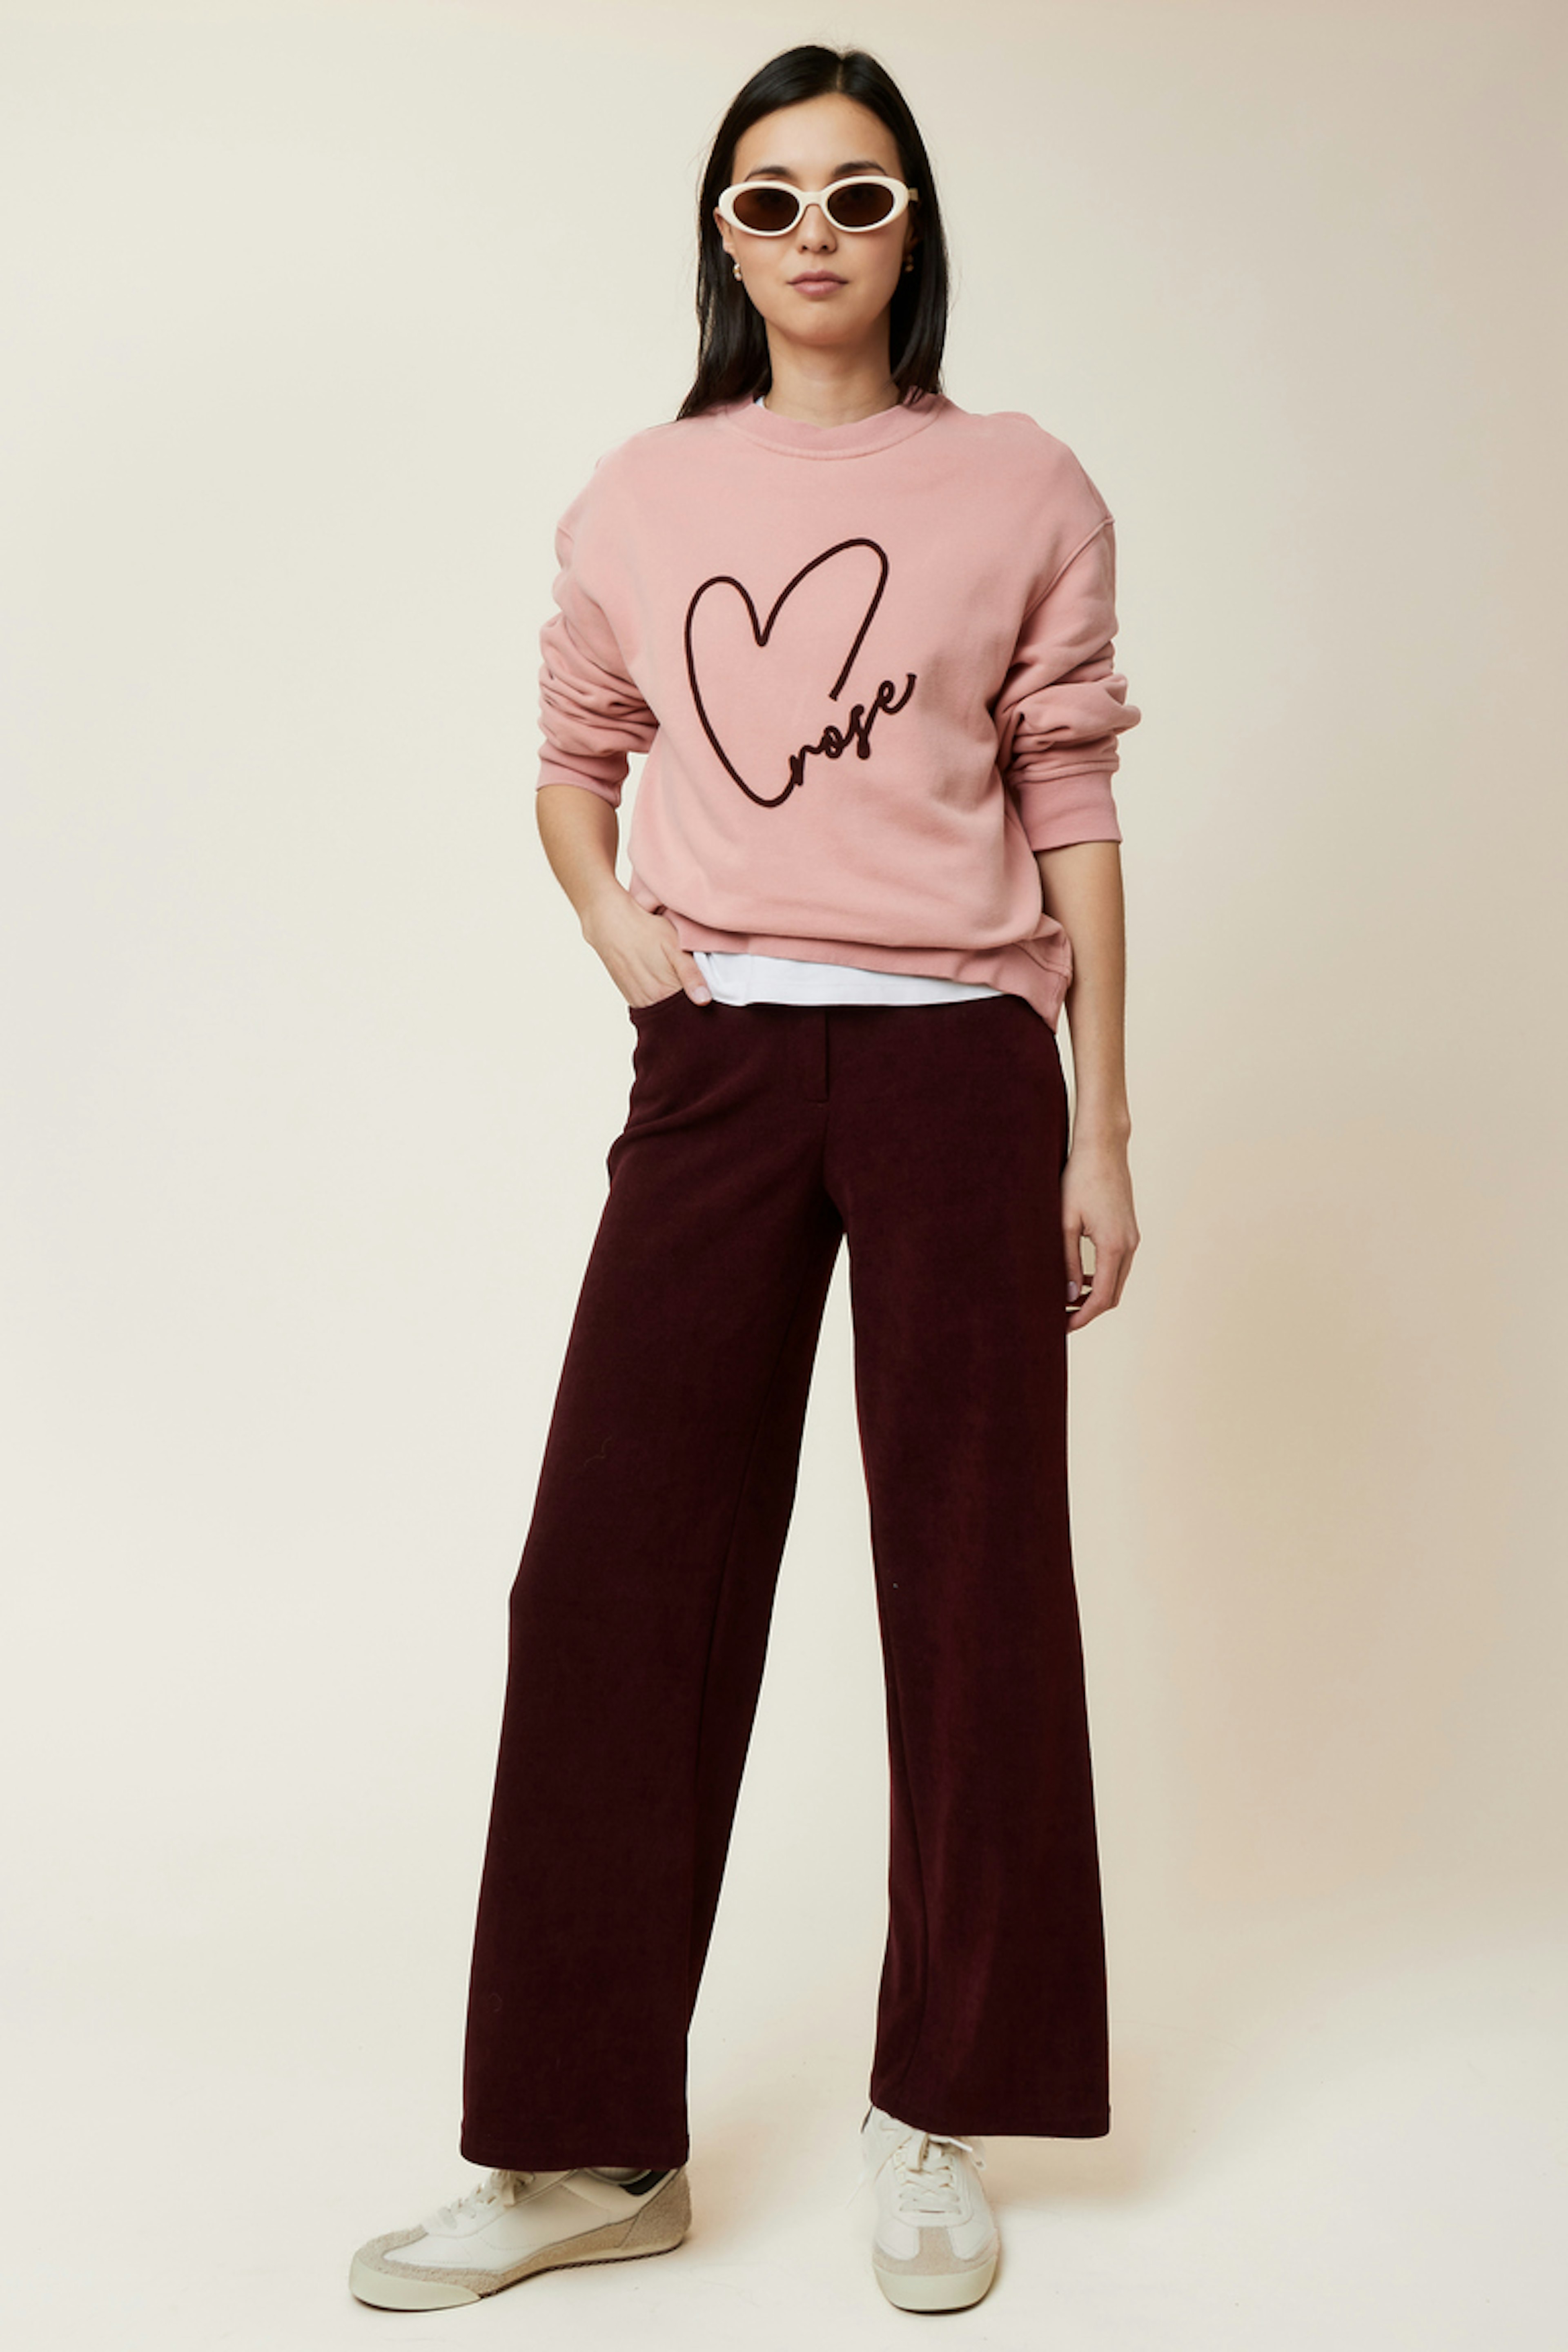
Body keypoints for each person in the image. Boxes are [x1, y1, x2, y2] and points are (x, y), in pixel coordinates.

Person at [350, 39, 1141, 2321]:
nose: (815, 234)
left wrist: (1102, 1124)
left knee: (974, 1582)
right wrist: (621, 931)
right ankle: (587, 2147)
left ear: (914, 227)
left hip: (962, 1068)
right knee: (613, 1573)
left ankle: (937, 2111)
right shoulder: (641, 494)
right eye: (772, 197)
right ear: (723, 233)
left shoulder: (1024, 486)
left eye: (858, 194)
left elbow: (1075, 805)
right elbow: (573, 755)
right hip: (719, 1064)